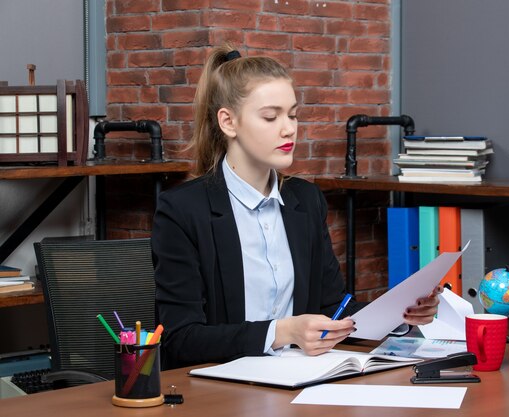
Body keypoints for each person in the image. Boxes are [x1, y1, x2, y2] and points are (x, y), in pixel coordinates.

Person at [152, 46, 441, 369]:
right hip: (219, 390)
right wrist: (281, 331)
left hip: (297, 379)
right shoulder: (182, 210)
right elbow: (181, 338)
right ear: (228, 122)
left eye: (292, 114)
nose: (289, 128)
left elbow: (333, 307)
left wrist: (400, 316)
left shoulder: (305, 200)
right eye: (270, 117)